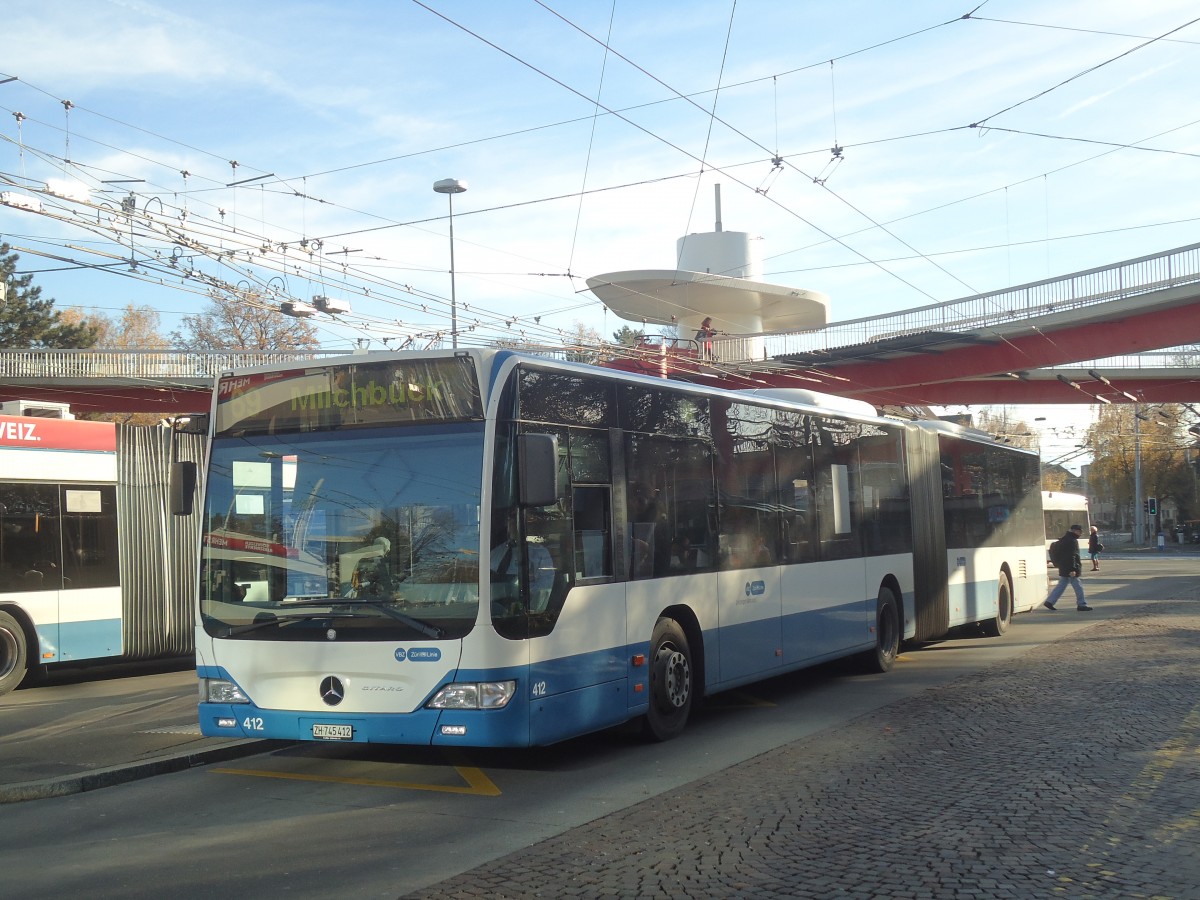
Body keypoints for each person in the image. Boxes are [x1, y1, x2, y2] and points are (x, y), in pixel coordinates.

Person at [1044, 523, 1092, 611]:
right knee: (1078, 586)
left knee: (1061, 585)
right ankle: (1081, 604)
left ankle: (1050, 601)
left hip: (1063, 566)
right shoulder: (1072, 541)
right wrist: (1073, 569)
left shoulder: (1064, 539)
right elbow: (1072, 555)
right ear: (1075, 531)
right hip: (1070, 568)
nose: (1081, 533)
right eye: (1080, 531)